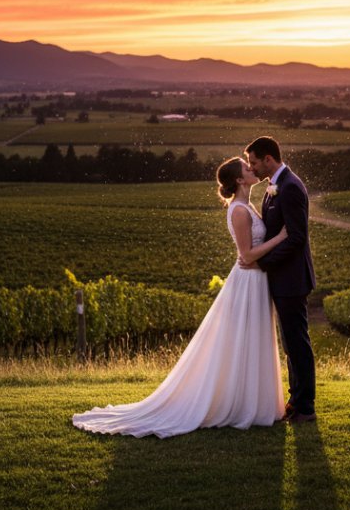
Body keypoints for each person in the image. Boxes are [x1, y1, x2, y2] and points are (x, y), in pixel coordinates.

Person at [71, 157, 287, 438]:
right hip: (248, 281)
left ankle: (252, 402)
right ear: (239, 180)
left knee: (250, 339)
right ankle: (240, 404)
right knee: (240, 340)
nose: (252, 169)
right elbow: (246, 255)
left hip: (255, 279)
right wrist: (281, 237)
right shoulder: (239, 211)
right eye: (247, 169)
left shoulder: (246, 206)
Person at [240, 136, 317, 423]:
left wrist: (261, 262)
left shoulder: (291, 187)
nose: (253, 168)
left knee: (297, 342)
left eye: (254, 162)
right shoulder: (277, 186)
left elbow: (296, 238)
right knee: (290, 343)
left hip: (292, 279)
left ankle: (305, 407)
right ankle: (296, 401)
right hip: (283, 278)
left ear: (269, 158)